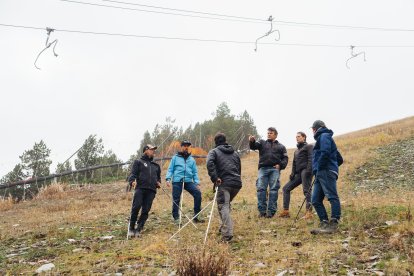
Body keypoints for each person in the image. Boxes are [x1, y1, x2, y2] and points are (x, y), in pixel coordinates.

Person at [310, 120, 344, 234]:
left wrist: (323, 167)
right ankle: (324, 222)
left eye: (312, 129)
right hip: (322, 172)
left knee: (332, 196)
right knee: (315, 200)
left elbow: (325, 152)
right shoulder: (327, 137)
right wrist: (332, 166)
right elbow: (339, 159)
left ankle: (334, 223)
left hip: (324, 171)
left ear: (315, 129)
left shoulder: (324, 135)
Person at [207, 133, 242, 242]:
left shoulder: (214, 152)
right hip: (236, 183)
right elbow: (239, 167)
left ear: (216, 142)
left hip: (224, 183)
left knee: (223, 206)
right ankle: (223, 227)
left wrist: (215, 178)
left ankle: (227, 234)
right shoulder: (235, 153)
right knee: (224, 205)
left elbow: (209, 163)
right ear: (225, 140)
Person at [249, 127, 288, 218]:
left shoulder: (281, 146)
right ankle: (262, 212)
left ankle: (271, 212)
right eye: (268, 133)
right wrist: (252, 141)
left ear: (275, 135)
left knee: (274, 190)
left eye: (271, 133)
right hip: (263, 169)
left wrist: (280, 165)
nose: (269, 134)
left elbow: (285, 158)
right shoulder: (262, 143)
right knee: (261, 189)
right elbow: (253, 146)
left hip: (275, 170)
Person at [166, 140, 203, 224]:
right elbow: (170, 169)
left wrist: (196, 182)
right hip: (177, 181)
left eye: (188, 146)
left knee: (198, 193)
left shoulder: (191, 159)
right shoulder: (175, 158)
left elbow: (195, 172)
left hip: (188, 181)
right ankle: (176, 218)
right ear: (181, 147)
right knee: (176, 199)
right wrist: (168, 179)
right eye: (185, 145)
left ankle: (196, 216)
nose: (186, 147)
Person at [128, 144, 161, 238]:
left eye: (154, 150)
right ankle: (131, 228)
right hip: (140, 188)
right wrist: (132, 181)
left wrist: (158, 183)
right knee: (136, 207)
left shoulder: (156, 166)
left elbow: (158, 178)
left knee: (146, 210)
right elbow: (133, 174)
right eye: (151, 150)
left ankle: (139, 229)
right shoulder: (138, 162)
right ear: (145, 150)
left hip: (151, 190)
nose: (153, 151)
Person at [280, 132, 314, 219]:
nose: (297, 138)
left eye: (299, 136)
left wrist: (309, 170)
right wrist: (292, 173)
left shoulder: (309, 146)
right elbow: (294, 164)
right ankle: (286, 211)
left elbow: (311, 158)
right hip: (298, 173)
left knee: (306, 190)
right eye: (296, 137)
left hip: (306, 170)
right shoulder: (296, 151)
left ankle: (309, 212)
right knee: (286, 188)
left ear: (304, 137)